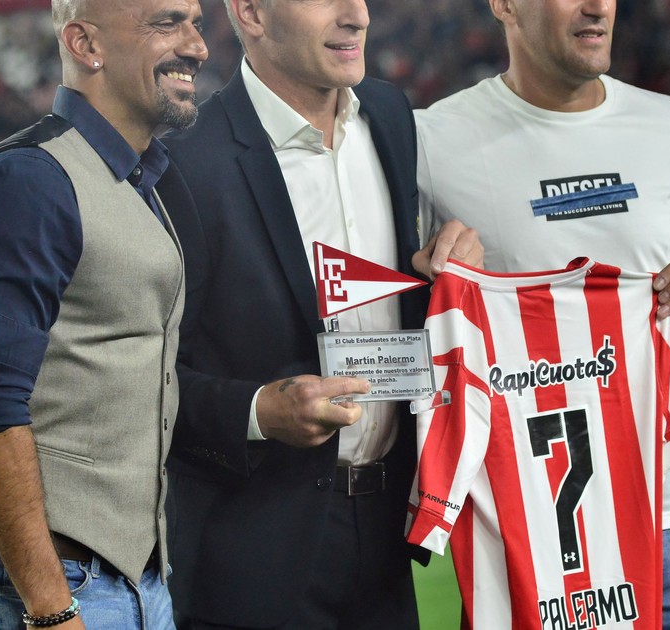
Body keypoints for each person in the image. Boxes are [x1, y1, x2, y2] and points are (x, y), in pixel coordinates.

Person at [414, 0, 670, 627]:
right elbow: (403, 322)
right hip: (535, 527)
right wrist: (426, 278)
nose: (598, 7)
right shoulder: (434, 142)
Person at [152, 0, 479, 627]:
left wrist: (449, 266)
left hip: (387, 541)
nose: (357, 15)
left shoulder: (389, 114)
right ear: (251, 13)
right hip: (254, 555)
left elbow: (398, 290)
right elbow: (153, 380)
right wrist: (257, 412)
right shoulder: (185, 165)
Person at [0, 0, 206, 627]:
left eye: (195, 23)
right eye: (166, 22)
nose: (196, 46)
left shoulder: (139, 179)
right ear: (84, 44)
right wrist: (50, 609)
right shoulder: (30, 178)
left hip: (133, 577)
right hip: (41, 587)